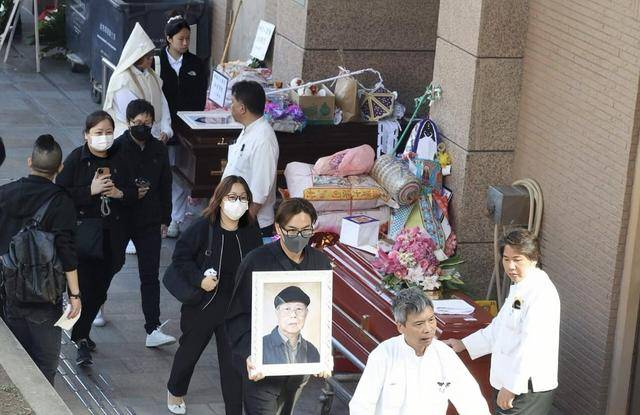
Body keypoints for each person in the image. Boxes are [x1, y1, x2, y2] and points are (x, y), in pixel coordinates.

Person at [166, 175, 262, 415]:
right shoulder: (203, 227)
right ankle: (175, 390)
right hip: (204, 303)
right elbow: (180, 258)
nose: (237, 202)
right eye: (232, 197)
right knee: (189, 352)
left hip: (235, 307)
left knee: (232, 364)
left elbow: (258, 261)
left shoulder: (250, 229)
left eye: (243, 198)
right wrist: (200, 280)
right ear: (220, 200)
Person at [226, 198, 332, 415]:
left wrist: (323, 356)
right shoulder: (256, 261)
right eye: (292, 230)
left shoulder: (320, 263)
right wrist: (248, 354)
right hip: (262, 373)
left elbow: (324, 314)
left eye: (305, 230)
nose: (299, 236)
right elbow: (237, 315)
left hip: (298, 373)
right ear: (278, 228)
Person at [444, 229, 560, 414]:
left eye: (517, 260)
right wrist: (463, 344)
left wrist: (512, 387)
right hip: (506, 382)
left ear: (533, 259)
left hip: (526, 388)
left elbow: (532, 345)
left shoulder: (541, 292)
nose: (511, 266)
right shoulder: (521, 287)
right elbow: (499, 328)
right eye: (506, 259)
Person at [0, 135, 82, 384]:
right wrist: (75, 295)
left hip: (8, 291)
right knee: (45, 364)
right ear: (60, 168)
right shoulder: (62, 202)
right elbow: (67, 252)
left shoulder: (5, 193)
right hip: (44, 296)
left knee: (14, 360)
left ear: (29, 162)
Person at [56, 111, 135, 365]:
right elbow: (60, 195)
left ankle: (82, 332)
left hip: (113, 237)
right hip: (84, 238)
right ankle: (80, 339)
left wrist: (120, 193)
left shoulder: (121, 158)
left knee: (100, 291)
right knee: (85, 289)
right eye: (98, 132)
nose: (104, 137)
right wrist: (89, 190)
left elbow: (134, 191)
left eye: (108, 132)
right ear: (86, 135)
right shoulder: (76, 160)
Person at [349, 288, 490, 415]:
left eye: (431, 320)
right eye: (419, 324)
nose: (428, 329)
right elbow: (362, 405)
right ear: (400, 327)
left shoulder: (444, 354)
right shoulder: (383, 354)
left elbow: (471, 400)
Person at [114, 99, 176, 348]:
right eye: (138, 122)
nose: (142, 127)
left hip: (149, 220)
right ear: (129, 122)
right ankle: (93, 312)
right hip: (121, 218)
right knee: (108, 267)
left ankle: (153, 327)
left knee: (150, 275)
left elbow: (166, 184)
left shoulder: (158, 149)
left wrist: (165, 218)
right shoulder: (117, 148)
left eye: (147, 123)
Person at [158, 14, 208, 239]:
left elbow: (200, 98)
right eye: (181, 39)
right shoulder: (157, 62)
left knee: (183, 173)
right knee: (167, 173)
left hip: (188, 129)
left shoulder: (196, 64)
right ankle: (166, 217)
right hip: (164, 128)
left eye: (188, 38)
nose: (186, 43)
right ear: (169, 39)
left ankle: (176, 218)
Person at [222, 80, 279, 238]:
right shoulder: (249, 130)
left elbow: (260, 189)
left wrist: (244, 224)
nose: (230, 107)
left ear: (242, 108)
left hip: (252, 223)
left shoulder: (264, 139)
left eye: (233, 102)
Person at [103, 22, 173, 141]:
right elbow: (132, 114)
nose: (151, 60)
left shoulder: (152, 75)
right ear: (137, 57)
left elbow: (162, 103)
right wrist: (151, 134)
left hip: (154, 135)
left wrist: (166, 130)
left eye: (152, 56)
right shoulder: (122, 79)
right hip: (130, 137)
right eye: (148, 57)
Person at [262, 285, 320, 365]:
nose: (293, 315)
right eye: (287, 309)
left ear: (306, 313)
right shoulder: (261, 347)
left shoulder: (312, 351)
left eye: (299, 309)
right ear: (277, 312)